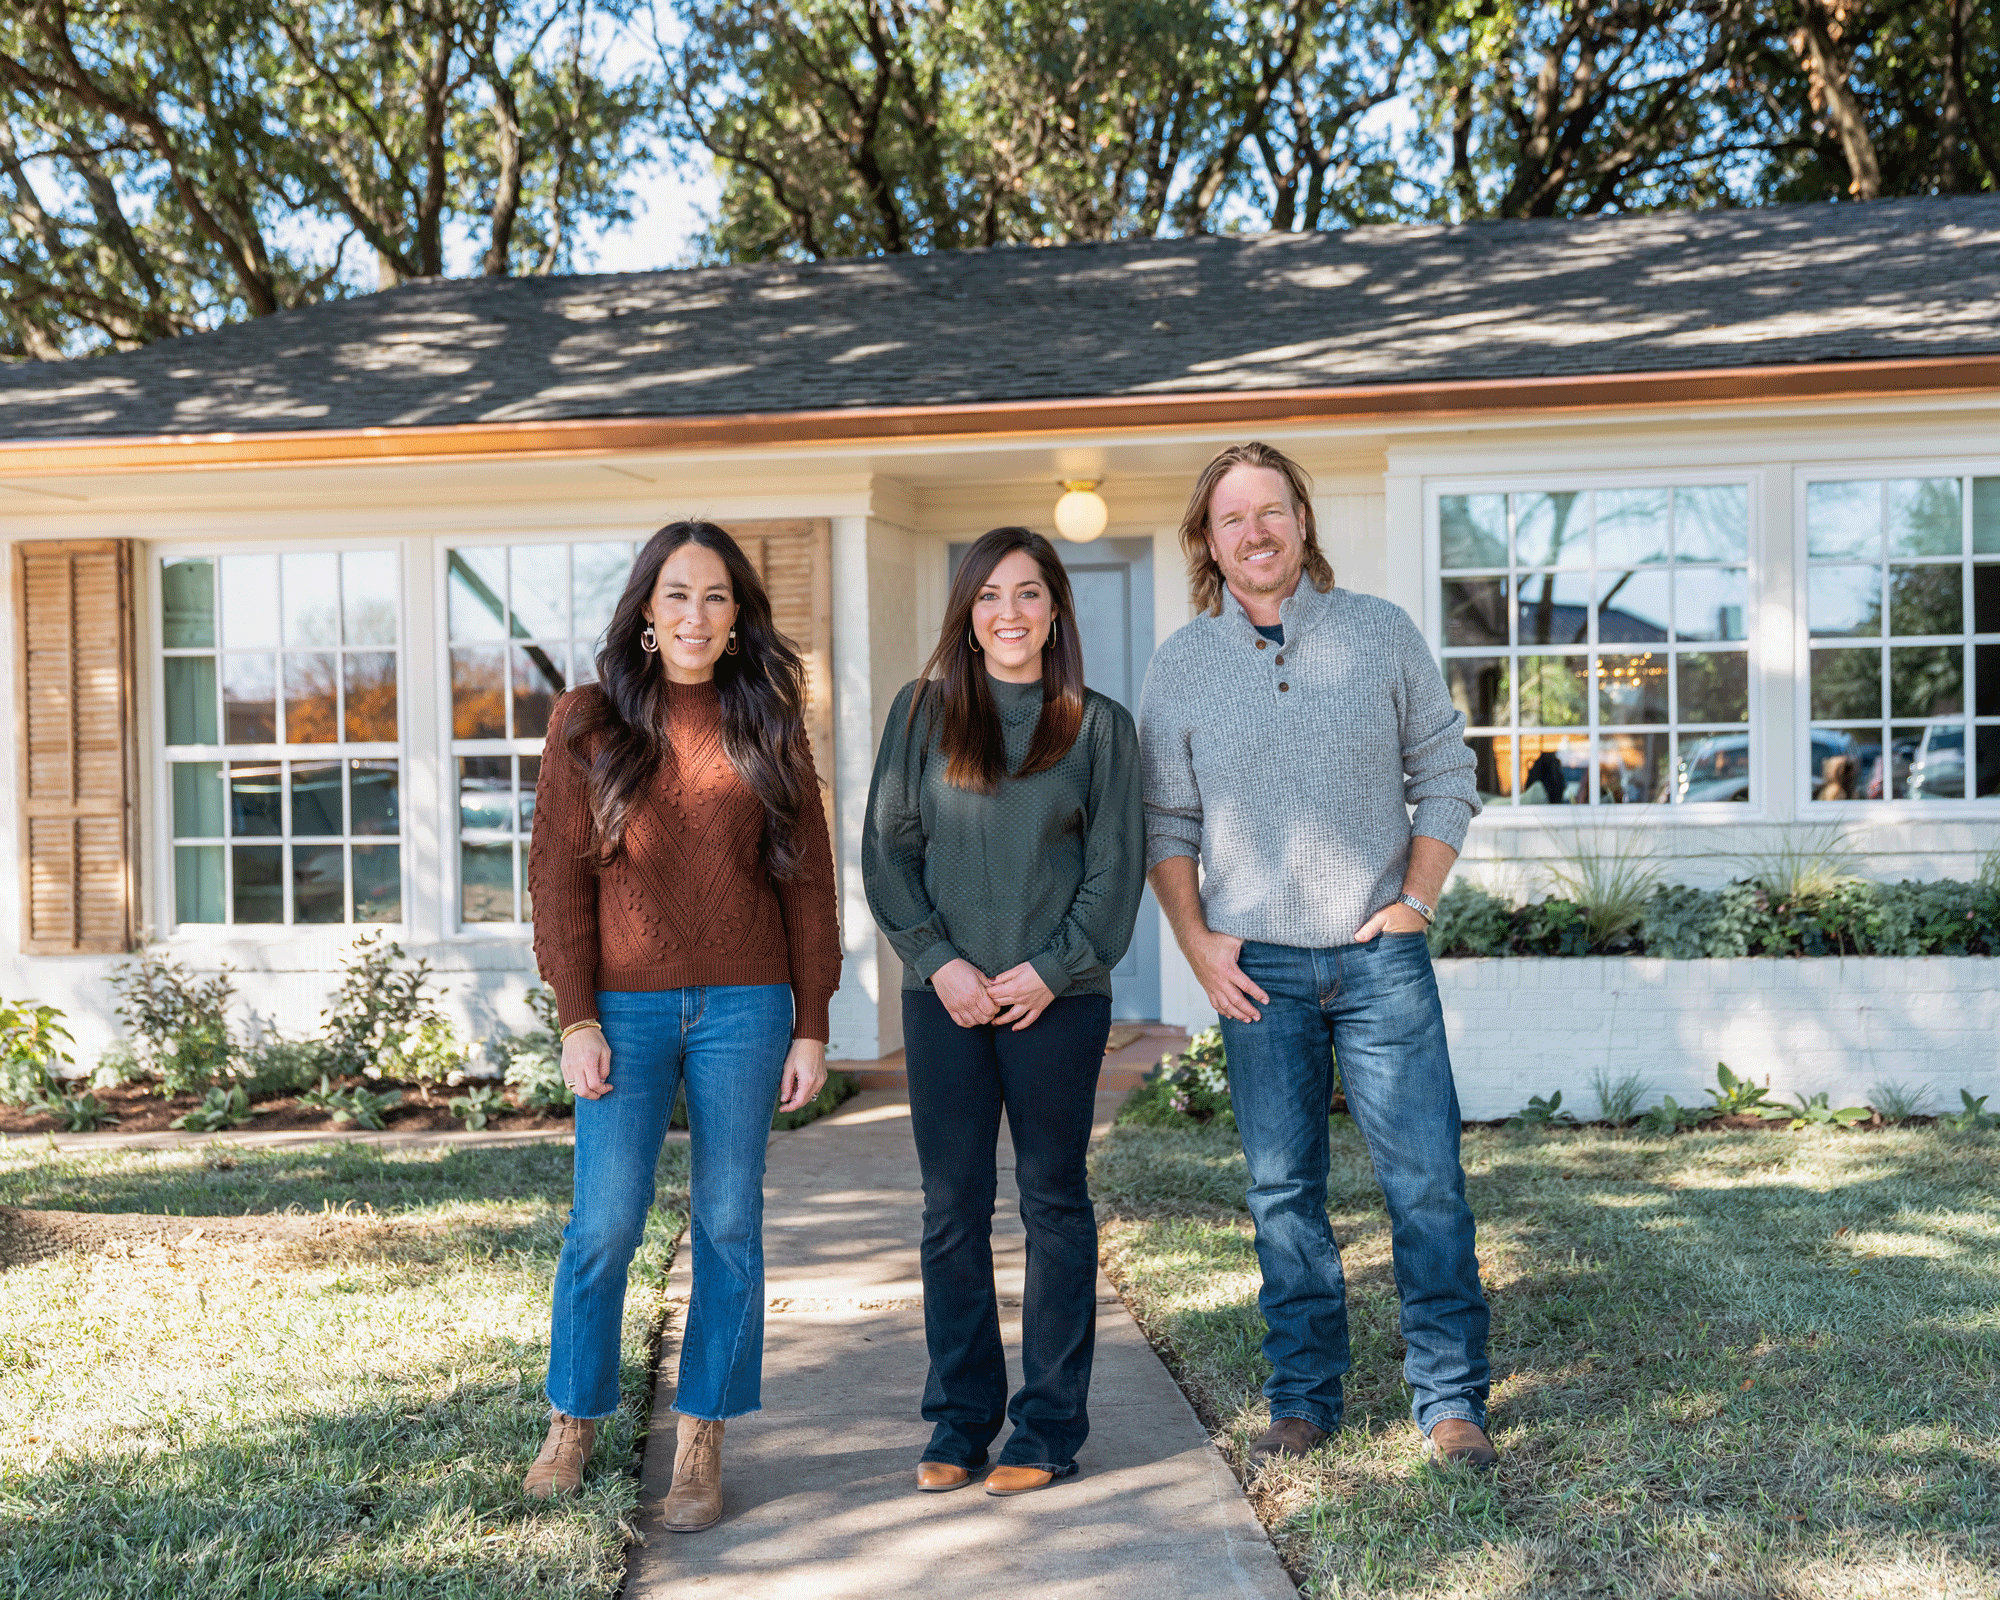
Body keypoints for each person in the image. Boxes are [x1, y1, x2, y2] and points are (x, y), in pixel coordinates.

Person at [1138, 442, 1497, 1474]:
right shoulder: (1179, 661)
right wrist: (1196, 943)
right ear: (1206, 542)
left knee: (1424, 1181)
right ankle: (1300, 1394)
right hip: (1257, 971)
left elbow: (1444, 773)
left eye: (1271, 511)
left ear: (1302, 520)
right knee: (1282, 1192)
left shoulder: (1377, 631)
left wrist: (1415, 900)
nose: (1253, 533)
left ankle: (1447, 1398)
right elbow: (1165, 820)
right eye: (1230, 518)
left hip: (1375, 959)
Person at [524, 521, 841, 1531]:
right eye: (675, 595)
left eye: (714, 596)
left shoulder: (767, 720)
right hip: (621, 1009)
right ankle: (572, 1419)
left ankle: (701, 1435)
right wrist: (576, 1016)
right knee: (605, 1223)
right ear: (645, 614)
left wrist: (811, 1022)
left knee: (729, 1224)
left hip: (746, 1010)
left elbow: (808, 883)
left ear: (736, 616)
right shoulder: (588, 719)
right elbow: (557, 884)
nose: (694, 614)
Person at [863, 526, 1144, 1498]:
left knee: (1052, 1205)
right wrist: (938, 963)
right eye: (989, 595)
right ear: (966, 613)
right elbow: (887, 851)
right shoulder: (920, 712)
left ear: (1055, 610)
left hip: (1052, 1005)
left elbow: (1113, 871)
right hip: (942, 1000)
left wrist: (1049, 970)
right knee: (951, 1212)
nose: (1009, 612)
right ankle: (958, 1418)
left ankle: (1048, 1428)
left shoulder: (1096, 726)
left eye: (1028, 593)